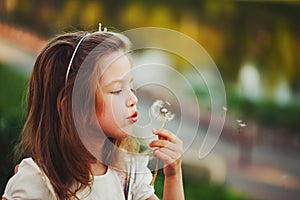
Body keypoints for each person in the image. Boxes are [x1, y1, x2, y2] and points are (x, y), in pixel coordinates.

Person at [2, 26, 184, 200]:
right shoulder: (38, 182)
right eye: (117, 90)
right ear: (73, 107)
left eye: (131, 87)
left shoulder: (128, 173)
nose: (133, 99)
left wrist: (173, 174)